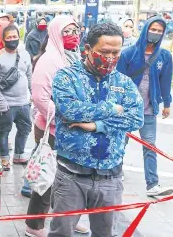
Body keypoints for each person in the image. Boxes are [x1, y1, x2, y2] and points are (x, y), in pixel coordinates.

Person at [49, 23, 144, 237]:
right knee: (61, 232)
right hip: (71, 175)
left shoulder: (124, 83)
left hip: (110, 176)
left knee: (105, 232)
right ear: (87, 50)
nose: (110, 58)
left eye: (116, 52)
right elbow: (70, 109)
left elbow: (136, 118)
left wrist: (97, 125)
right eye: (104, 52)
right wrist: (112, 108)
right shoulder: (67, 77)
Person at [24, 16, 88, 237]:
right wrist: (67, 116)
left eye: (75, 30)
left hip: (75, 128)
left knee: (72, 178)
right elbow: (40, 98)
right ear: (55, 34)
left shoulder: (75, 56)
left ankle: (68, 217)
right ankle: (34, 226)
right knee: (48, 177)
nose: (73, 35)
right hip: (52, 128)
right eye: (67, 32)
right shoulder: (49, 60)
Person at [117, 17, 173, 196]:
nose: (155, 33)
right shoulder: (128, 54)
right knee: (119, 144)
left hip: (149, 109)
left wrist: (166, 103)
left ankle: (153, 184)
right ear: (146, 29)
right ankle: (115, 175)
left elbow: (165, 80)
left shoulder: (164, 56)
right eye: (153, 29)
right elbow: (118, 81)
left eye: (159, 31)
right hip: (126, 109)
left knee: (150, 146)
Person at [0, 24, 32, 169]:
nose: (12, 39)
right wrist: (1, 101)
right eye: (9, 37)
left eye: (15, 37)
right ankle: (5, 159)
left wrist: (32, 94)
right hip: (6, 103)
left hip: (24, 102)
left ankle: (19, 155)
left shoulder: (25, 54)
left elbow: (29, 75)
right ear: (3, 39)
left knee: (25, 129)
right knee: (4, 131)